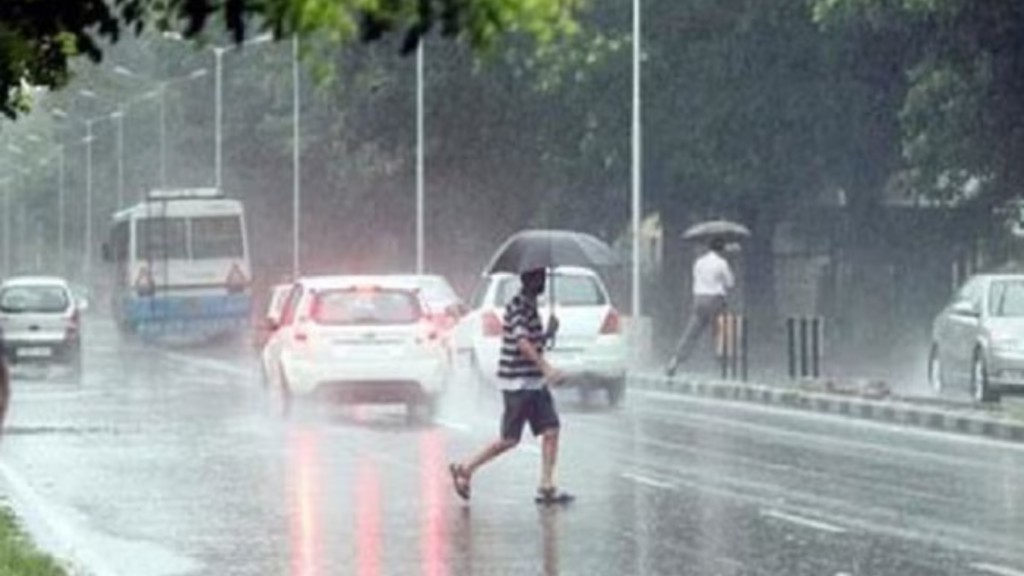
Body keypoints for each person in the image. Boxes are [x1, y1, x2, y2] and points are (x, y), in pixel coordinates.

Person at [449, 267, 573, 505]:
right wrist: (547, 368)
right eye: (539, 278)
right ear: (528, 280)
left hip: (534, 382)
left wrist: (548, 333)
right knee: (509, 439)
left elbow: (532, 340)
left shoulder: (530, 306)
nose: (543, 282)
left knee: (551, 430)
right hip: (518, 383)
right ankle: (466, 469)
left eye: (544, 277)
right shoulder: (517, 306)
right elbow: (522, 342)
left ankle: (547, 486)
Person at [665, 237, 735, 376]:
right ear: (721, 249)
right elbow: (730, 283)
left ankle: (675, 360)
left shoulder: (699, 262)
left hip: (699, 300)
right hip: (716, 300)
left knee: (692, 332)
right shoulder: (722, 263)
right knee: (721, 333)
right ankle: (725, 366)